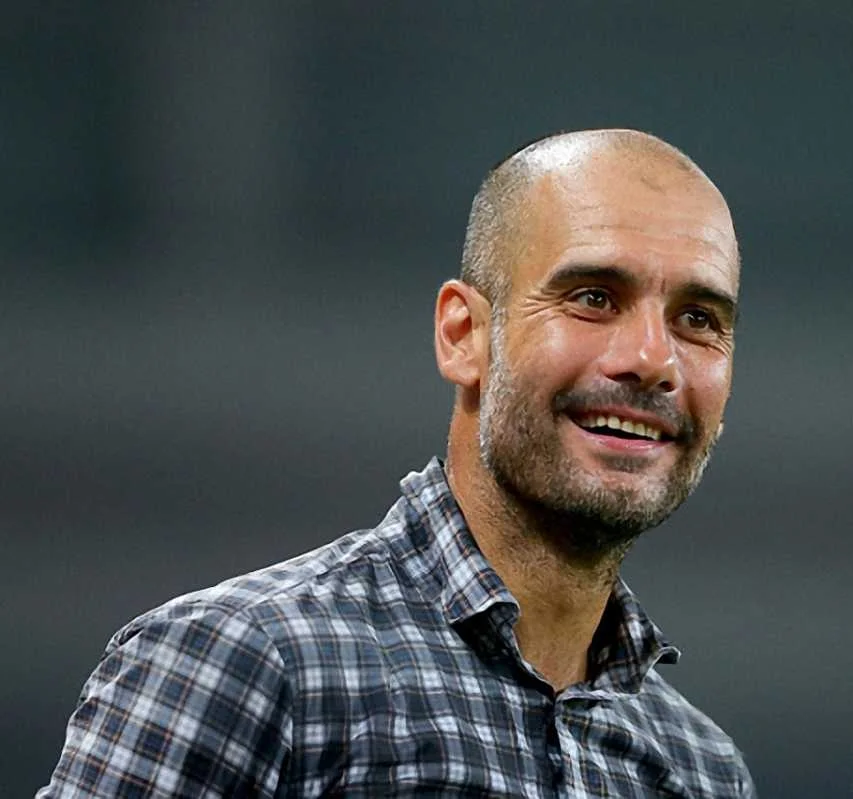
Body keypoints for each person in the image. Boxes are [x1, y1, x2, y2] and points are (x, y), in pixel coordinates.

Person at [40, 128, 753, 797]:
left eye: (698, 319)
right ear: (463, 334)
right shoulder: (241, 662)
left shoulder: (701, 768)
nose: (653, 360)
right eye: (593, 298)